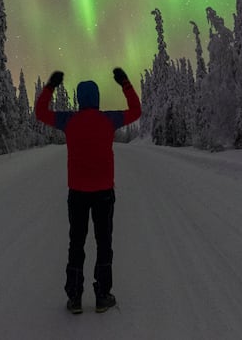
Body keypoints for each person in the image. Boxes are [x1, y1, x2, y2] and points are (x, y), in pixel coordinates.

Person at [35, 67, 142, 314]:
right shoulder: (109, 119)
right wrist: (124, 82)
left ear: (81, 99)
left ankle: (74, 298)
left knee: (77, 243)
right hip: (104, 192)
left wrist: (51, 85)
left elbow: (40, 112)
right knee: (104, 243)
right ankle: (103, 296)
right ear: (97, 99)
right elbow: (136, 111)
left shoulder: (68, 120)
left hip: (78, 194)